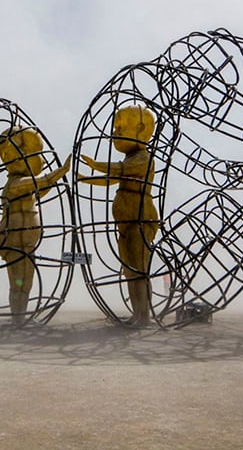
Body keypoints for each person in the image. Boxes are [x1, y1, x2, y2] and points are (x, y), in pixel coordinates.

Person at [79, 105, 158, 326]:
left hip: (140, 220)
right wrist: (86, 178)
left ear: (141, 129)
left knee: (139, 270)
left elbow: (118, 171)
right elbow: (111, 179)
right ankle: (137, 314)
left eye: (121, 128)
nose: (115, 133)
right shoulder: (129, 161)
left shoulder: (143, 158)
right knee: (129, 271)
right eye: (115, 128)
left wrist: (96, 164)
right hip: (125, 223)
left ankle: (144, 316)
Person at [0, 127, 71, 324]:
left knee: (26, 281)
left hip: (27, 241)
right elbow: (40, 181)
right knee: (17, 281)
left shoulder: (24, 187)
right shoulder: (15, 183)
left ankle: (20, 316)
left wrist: (52, 181)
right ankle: (17, 319)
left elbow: (37, 192)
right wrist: (61, 172)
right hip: (13, 239)